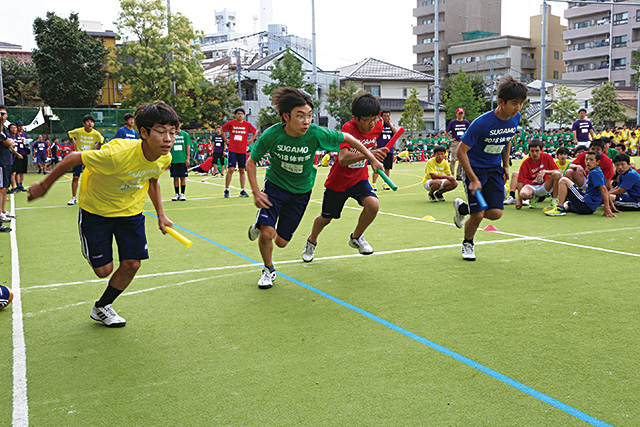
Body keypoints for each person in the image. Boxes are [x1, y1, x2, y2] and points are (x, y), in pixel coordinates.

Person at [28, 101, 178, 327]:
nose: (168, 139)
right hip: (96, 210)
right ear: (144, 133)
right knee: (103, 270)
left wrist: (161, 215)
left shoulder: (163, 156)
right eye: (161, 132)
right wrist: (44, 186)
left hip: (130, 212)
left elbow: (152, 180)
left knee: (132, 264)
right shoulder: (116, 153)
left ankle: (102, 307)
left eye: (173, 133)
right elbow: (72, 158)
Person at [246, 87, 383, 289]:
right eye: (300, 116)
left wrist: (372, 158)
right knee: (267, 234)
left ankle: (264, 224)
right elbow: (251, 162)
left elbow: (349, 140)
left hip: (301, 191)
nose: (306, 121)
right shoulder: (272, 135)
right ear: (286, 116)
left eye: (310, 115)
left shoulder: (316, 134)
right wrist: (257, 192)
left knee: (281, 242)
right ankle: (268, 269)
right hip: (275, 187)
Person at [302, 93, 388, 262]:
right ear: (356, 118)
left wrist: (375, 156)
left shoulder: (378, 126)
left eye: (375, 118)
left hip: (359, 178)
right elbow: (343, 158)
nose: (372, 123)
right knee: (325, 219)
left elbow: (371, 145)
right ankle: (311, 242)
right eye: (367, 119)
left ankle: (356, 237)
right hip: (338, 182)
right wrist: (369, 155)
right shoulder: (348, 129)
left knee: (373, 205)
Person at [452, 75, 527, 261]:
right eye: (514, 103)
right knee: (478, 214)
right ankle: (467, 244)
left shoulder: (514, 118)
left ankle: (463, 209)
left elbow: (507, 139)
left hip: (494, 169)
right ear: (501, 102)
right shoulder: (481, 123)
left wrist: (505, 165)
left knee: (495, 214)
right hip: (474, 169)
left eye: (521, 103)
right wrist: (473, 179)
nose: (518, 108)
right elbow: (461, 152)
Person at [544, 151, 616, 217]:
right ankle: (562, 207)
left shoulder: (594, 173)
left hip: (586, 204)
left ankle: (559, 208)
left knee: (563, 180)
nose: (588, 162)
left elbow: (603, 189)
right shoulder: (597, 171)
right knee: (568, 203)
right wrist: (611, 206)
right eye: (586, 159)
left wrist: (607, 208)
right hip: (588, 207)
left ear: (597, 162)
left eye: (591, 160)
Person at [511, 139, 560, 209]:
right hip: (531, 186)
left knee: (557, 175)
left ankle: (554, 200)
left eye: (537, 150)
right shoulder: (525, 163)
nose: (534, 153)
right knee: (523, 194)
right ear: (529, 151)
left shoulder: (547, 157)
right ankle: (533, 198)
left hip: (544, 186)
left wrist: (545, 172)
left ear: (541, 150)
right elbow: (520, 182)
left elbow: (557, 171)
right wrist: (519, 200)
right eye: (532, 151)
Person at [67, 115, 104, 205]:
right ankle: (74, 197)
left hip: (89, 157)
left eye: (92, 122)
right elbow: (69, 134)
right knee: (75, 177)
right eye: (87, 121)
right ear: (84, 123)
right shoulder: (79, 131)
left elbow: (101, 140)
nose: (90, 123)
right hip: (79, 156)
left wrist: (95, 148)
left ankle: (92, 197)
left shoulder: (96, 133)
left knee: (92, 177)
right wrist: (74, 142)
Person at [222, 107, 257, 198]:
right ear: (235, 115)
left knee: (242, 170)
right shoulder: (231, 123)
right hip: (232, 149)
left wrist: (251, 140)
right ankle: (226, 189)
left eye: (241, 114)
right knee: (231, 169)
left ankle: (242, 190)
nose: (240, 115)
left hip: (242, 150)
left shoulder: (247, 124)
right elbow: (222, 129)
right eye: (238, 113)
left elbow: (255, 131)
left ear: (244, 115)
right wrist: (225, 139)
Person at [0, 105, 21, 230]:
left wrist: (9, 142)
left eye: (4, 113)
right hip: (1, 162)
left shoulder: (4, 129)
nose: (3, 115)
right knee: (2, 188)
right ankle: (0, 213)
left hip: (7, 161)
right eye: (1, 113)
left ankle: (2, 211)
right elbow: (7, 142)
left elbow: (10, 141)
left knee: (5, 187)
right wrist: (9, 142)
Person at [371, 110, 397, 190]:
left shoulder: (391, 126)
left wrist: (390, 124)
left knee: (387, 168)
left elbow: (396, 132)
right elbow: (377, 132)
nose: (386, 118)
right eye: (384, 116)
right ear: (381, 117)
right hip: (379, 150)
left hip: (389, 150)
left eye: (388, 116)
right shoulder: (378, 125)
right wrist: (381, 122)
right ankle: (374, 184)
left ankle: (385, 183)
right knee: (377, 168)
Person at [445, 108, 471, 180]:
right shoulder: (452, 123)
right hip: (455, 142)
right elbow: (446, 132)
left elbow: (470, 131)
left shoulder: (466, 123)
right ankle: (451, 174)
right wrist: (450, 139)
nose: (460, 115)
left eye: (461, 113)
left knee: (462, 160)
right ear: (456, 114)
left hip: (463, 142)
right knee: (453, 159)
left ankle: (459, 175)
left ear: (463, 114)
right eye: (459, 113)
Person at [169, 117, 191, 201]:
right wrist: (169, 159)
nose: (178, 124)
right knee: (175, 178)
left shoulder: (185, 134)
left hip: (182, 159)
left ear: (181, 124)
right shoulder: (171, 134)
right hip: (174, 159)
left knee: (182, 177)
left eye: (179, 122)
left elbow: (187, 146)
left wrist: (188, 158)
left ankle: (182, 194)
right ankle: (176, 194)